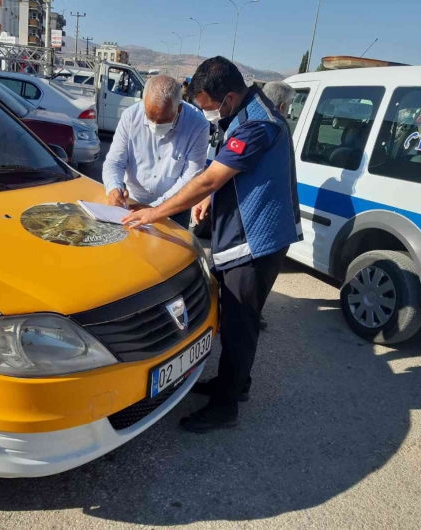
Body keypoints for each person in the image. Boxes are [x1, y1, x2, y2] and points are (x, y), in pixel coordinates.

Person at [122, 57, 302, 433]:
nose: (207, 115)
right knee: (236, 319)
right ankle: (233, 383)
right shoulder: (247, 112)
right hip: (251, 237)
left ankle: (226, 406)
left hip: (255, 242)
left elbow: (208, 179)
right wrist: (210, 198)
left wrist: (154, 213)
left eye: (208, 107)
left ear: (229, 96)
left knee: (239, 324)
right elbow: (230, 176)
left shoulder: (255, 124)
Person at [102, 75, 209, 228]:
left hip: (174, 211)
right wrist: (114, 187)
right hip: (131, 204)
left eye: (163, 120)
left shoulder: (198, 126)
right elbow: (114, 162)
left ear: (179, 109)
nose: (155, 125)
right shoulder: (131, 117)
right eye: (150, 117)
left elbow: (190, 178)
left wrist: (156, 208)